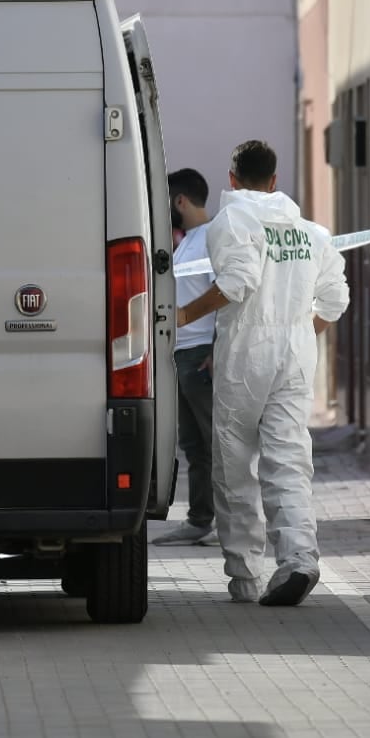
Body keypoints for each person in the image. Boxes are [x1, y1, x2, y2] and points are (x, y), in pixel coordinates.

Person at [175, 140, 349, 607]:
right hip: (296, 350)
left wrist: (180, 317)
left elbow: (236, 283)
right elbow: (334, 300)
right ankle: (299, 561)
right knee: (288, 460)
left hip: (247, 349)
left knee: (234, 464)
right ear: (275, 182)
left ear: (232, 179)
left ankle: (246, 578)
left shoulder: (232, 220)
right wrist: (299, 333)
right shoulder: (311, 231)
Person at [153, 169, 218, 546]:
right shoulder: (188, 241)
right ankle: (198, 520)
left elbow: (230, 294)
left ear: (181, 201)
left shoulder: (212, 239)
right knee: (194, 446)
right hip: (181, 355)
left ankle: (230, 522)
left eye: (167, 202)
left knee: (215, 444)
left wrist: (216, 348)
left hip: (200, 357)